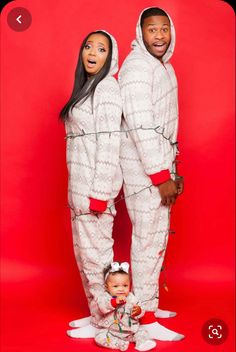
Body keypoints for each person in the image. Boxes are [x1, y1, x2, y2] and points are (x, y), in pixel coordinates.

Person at [118, 7, 184, 341]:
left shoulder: (162, 67)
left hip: (161, 164)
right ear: (139, 32)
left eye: (164, 29)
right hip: (145, 169)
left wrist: (168, 168)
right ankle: (143, 319)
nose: (159, 35)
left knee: (156, 238)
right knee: (147, 241)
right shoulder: (137, 69)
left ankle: (150, 304)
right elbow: (141, 126)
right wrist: (160, 176)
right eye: (151, 29)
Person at [60, 30, 123, 338]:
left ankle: (111, 323)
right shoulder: (87, 88)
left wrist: (100, 193)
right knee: (86, 256)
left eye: (101, 48)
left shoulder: (108, 88)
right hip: (79, 191)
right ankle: (96, 315)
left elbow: (111, 143)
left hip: (94, 193)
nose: (92, 53)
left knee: (98, 258)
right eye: (88, 46)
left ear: (110, 56)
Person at [95, 262, 156, 351]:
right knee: (99, 336)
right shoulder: (105, 297)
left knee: (142, 332)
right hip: (111, 330)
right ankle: (120, 344)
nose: (121, 289)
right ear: (107, 287)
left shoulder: (131, 297)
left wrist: (138, 311)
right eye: (115, 286)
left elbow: (140, 307)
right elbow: (102, 307)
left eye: (125, 285)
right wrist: (114, 302)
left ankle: (143, 343)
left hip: (130, 331)